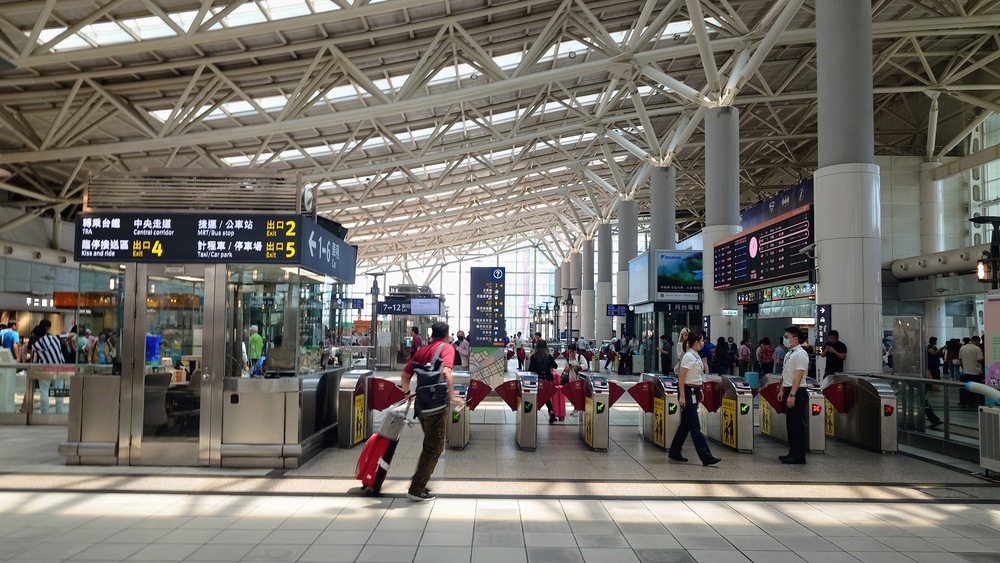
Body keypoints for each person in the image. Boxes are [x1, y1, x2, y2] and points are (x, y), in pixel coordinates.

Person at [399, 321, 462, 502]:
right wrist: (452, 397)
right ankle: (417, 488)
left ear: (432, 334)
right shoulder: (447, 348)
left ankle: (419, 480)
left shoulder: (422, 350)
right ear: (447, 335)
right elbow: (447, 373)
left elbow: (404, 376)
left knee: (430, 443)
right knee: (434, 448)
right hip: (436, 405)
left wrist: (407, 393)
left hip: (422, 405)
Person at [668, 329, 721, 466]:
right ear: (696, 342)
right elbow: (681, 377)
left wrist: (700, 390)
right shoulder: (688, 356)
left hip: (695, 390)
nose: (703, 343)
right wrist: (682, 396)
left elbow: (697, 376)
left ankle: (674, 451)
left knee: (685, 425)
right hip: (688, 391)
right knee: (695, 426)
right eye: (701, 340)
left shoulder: (696, 355)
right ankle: (706, 456)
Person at [779, 326, 810, 464]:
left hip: (797, 391)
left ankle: (799, 456)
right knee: (791, 425)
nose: (785, 339)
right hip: (788, 390)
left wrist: (792, 395)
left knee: (798, 425)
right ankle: (792, 452)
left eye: (787, 337)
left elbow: (798, 375)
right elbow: (786, 374)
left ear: (795, 338)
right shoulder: (789, 353)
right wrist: (782, 390)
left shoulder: (800, 354)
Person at [31, 321, 66, 414]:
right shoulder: (54, 338)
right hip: (59, 368)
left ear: (36, 335)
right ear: (45, 331)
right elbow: (69, 335)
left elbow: (34, 361)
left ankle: (44, 412)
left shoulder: (35, 346)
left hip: (45, 369)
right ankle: (59, 411)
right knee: (59, 391)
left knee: (44, 391)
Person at [527, 339, 560, 423]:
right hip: (546, 381)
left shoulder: (534, 357)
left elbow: (530, 370)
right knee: (546, 397)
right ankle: (551, 411)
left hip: (537, 380)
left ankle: (532, 414)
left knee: (535, 396)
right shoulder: (548, 356)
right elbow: (555, 366)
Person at [959, 336, 985, 408]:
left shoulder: (963, 347)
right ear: (977, 341)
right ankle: (975, 403)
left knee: (966, 388)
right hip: (975, 372)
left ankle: (966, 402)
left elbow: (960, 358)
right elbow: (980, 360)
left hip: (966, 371)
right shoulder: (977, 348)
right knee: (976, 389)